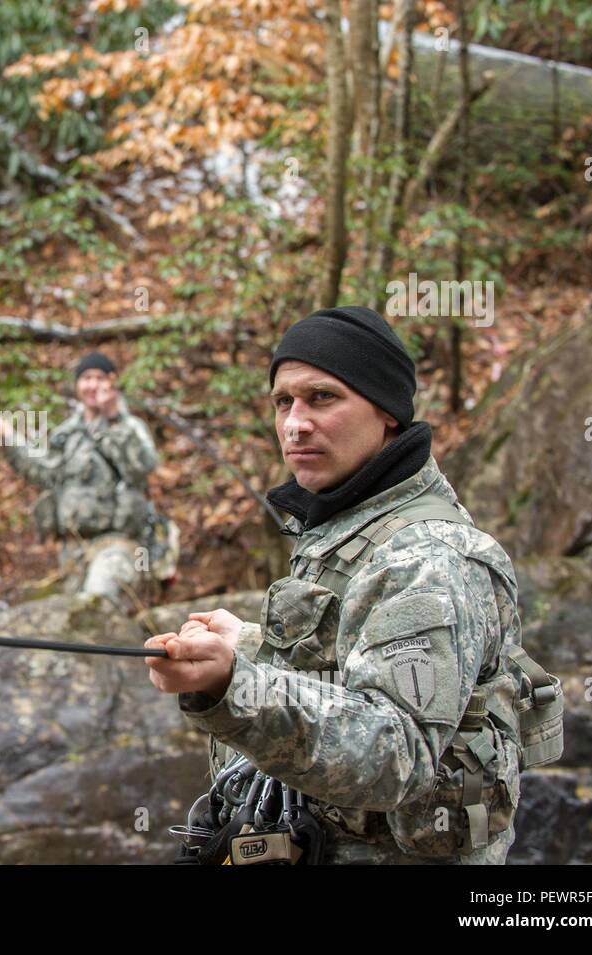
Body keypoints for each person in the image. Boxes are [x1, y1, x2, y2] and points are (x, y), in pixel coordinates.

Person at [146, 306, 531, 864]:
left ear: (388, 413)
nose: (295, 423)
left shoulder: (427, 556)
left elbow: (400, 750)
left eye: (322, 398)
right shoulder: (350, 520)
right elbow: (355, 667)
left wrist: (239, 686)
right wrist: (250, 648)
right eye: (284, 402)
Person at [0, 352, 163, 609]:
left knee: (97, 600)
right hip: (73, 550)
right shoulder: (67, 434)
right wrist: (9, 439)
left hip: (118, 545)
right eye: (86, 378)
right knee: (76, 618)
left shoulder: (129, 427)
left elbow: (142, 468)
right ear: (77, 386)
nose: (92, 385)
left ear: (112, 383)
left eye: (100, 378)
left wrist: (114, 417)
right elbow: (45, 472)